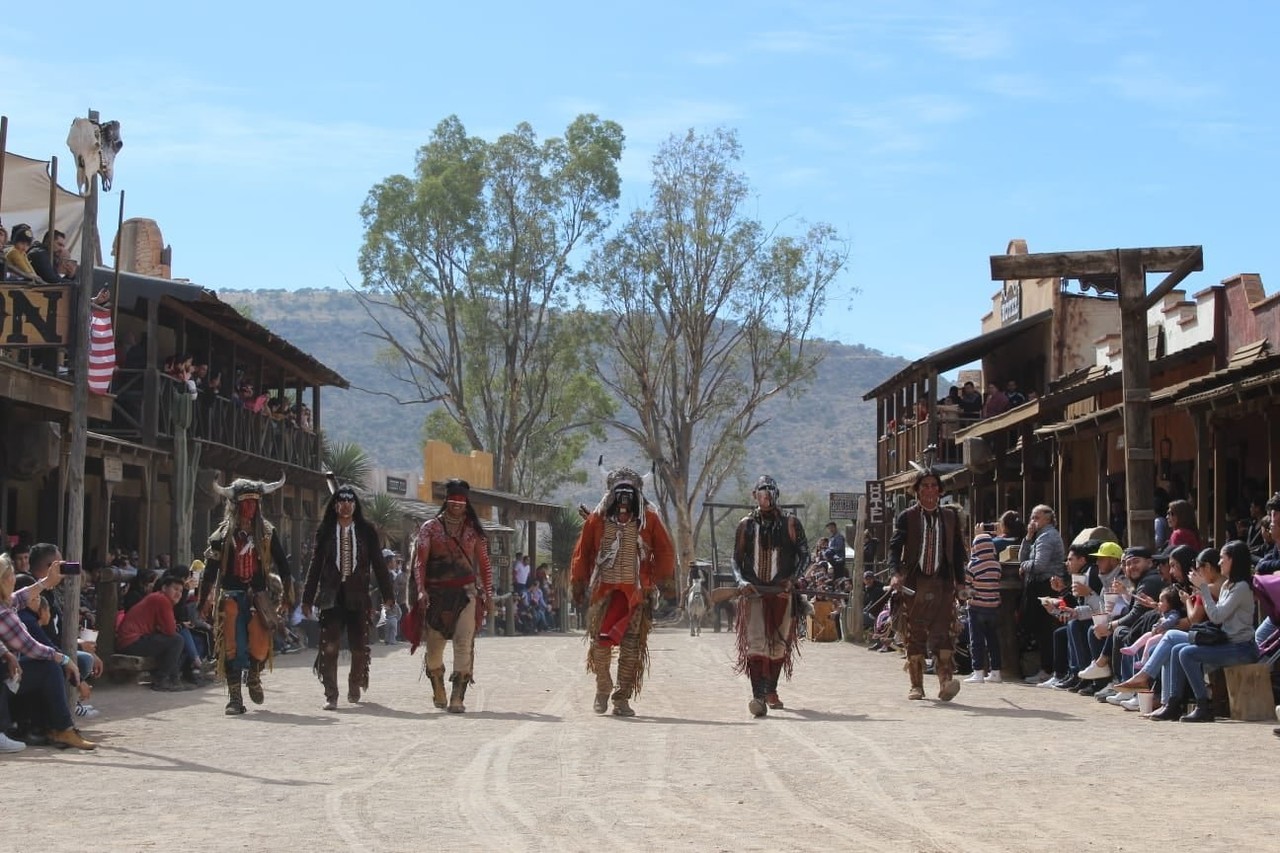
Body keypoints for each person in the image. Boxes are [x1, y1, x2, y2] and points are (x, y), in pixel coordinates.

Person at [571, 467, 675, 716]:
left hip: (636, 595)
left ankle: (621, 697)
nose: (624, 499)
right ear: (612, 494)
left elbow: (664, 551)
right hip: (603, 593)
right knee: (600, 643)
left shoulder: (649, 520)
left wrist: (663, 583)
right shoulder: (597, 520)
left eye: (630, 493)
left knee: (631, 647)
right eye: (620, 492)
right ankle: (603, 687)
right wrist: (578, 584)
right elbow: (583, 552)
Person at [198, 475, 292, 715]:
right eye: (245, 503)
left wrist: (287, 598)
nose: (250, 508)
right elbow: (210, 571)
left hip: (258, 597)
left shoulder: (267, 533)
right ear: (235, 505)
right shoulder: (222, 535)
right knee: (231, 646)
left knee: (260, 646)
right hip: (230, 596)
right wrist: (203, 601)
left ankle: (253, 675)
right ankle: (235, 698)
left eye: (255, 503)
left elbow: (283, 565)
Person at [302, 485, 396, 710]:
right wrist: (307, 598)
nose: (345, 504)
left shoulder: (366, 532)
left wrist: (388, 595)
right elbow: (315, 566)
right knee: (330, 646)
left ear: (355, 505)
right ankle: (331, 694)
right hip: (330, 597)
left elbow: (379, 565)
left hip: (358, 597)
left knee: (358, 647)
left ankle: (355, 683)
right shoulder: (325, 531)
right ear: (335, 505)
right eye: (341, 500)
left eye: (350, 501)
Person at [410, 479, 494, 713]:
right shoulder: (429, 529)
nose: (457, 503)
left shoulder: (474, 532)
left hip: (466, 594)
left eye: (461, 499)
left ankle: (458, 696)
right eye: (453, 499)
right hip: (436, 595)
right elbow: (420, 563)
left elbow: (485, 565)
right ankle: (437, 683)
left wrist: (488, 593)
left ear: (467, 502)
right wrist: (420, 589)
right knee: (434, 650)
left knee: (463, 643)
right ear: (446, 500)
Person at [731, 475, 808, 716]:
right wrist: (741, 581)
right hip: (753, 592)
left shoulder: (791, 524)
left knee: (778, 645)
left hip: (782, 593)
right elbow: (736, 558)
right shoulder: (745, 525)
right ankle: (757, 697)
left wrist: (792, 579)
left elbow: (805, 556)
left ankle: (770, 690)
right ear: (755, 496)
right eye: (762, 492)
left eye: (770, 492)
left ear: (776, 495)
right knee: (755, 642)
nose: (766, 496)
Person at [0, 555, 95, 749]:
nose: (14, 579)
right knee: (50, 668)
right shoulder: (4, 614)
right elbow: (31, 647)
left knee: (48, 667)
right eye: (10, 576)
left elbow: (19, 597)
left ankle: (57, 728)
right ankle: (61, 729)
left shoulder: (5, 605)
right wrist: (65, 659)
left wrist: (46, 582)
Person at [1172, 540, 1259, 722]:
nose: (1219, 563)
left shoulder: (1242, 587)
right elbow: (1216, 615)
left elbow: (1217, 616)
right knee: (1176, 649)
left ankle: (1203, 706)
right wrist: (1202, 590)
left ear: (1233, 561)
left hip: (1242, 648)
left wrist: (1203, 588)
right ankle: (1173, 702)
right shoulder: (1228, 585)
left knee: (1187, 654)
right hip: (1228, 643)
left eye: (1222, 559)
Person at [117, 576, 192, 692]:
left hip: (131, 641)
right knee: (177, 640)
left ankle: (174, 679)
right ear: (164, 588)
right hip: (131, 642)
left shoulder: (158, 598)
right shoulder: (162, 599)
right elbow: (170, 631)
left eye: (181, 591)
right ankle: (162, 680)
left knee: (174, 640)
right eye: (175, 589)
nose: (178, 593)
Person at [1019, 505, 1067, 685]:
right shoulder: (1038, 536)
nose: (1033, 521)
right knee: (1040, 629)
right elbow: (1023, 557)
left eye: (1036, 517)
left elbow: (1039, 565)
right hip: (1038, 585)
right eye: (1032, 517)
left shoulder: (1048, 536)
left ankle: (1049, 669)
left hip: (1047, 585)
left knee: (1045, 629)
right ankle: (1046, 668)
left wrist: (1024, 566)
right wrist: (1028, 538)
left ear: (1048, 518)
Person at [964, 524, 1003, 684]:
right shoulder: (996, 565)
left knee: (977, 640)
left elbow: (967, 585)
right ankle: (996, 672)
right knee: (993, 640)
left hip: (976, 607)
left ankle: (978, 671)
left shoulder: (973, 565)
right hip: (993, 607)